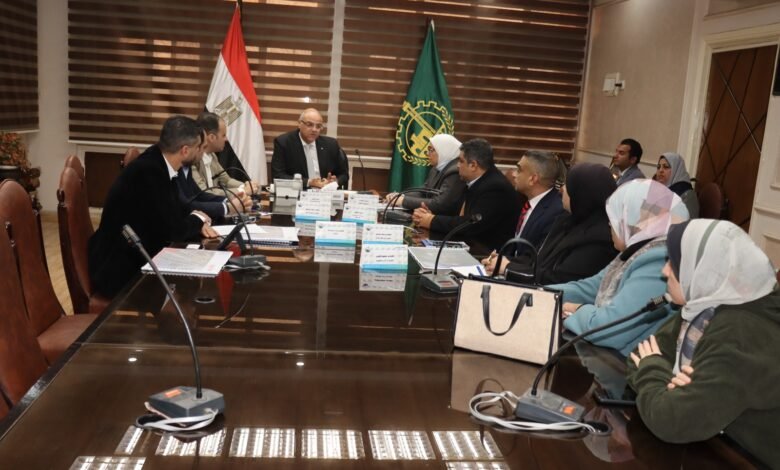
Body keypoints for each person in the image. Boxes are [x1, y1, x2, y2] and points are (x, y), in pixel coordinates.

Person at [627, 219, 779, 468]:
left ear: (706, 271)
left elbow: (672, 421)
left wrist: (654, 370)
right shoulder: (706, 305)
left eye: (674, 263)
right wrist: (669, 382)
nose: (665, 271)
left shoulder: (740, 334)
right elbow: (638, 355)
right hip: (712, 448)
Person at [548, 179, 689, 356]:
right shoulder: (638, 250)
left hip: (629, 366)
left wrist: (577, 310)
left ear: (635, 220)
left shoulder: (659, 260)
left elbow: (609, 330)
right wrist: (539, 294)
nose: (609, 224)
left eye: (615, 216)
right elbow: (591, 287)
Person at [88, 116, 218, 297]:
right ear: (185, 150)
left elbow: (174, 208)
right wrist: (198, 219)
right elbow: (173, 231)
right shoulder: (149, 172)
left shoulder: (158, 160)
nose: (201, 153)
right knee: (194, 291)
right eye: (199, 148)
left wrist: (195, 217)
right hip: (121, 272)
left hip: (138, 256)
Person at [484, 162, 617, 285]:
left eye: (567, 185)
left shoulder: (600, 239)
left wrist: (508, 268)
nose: (561, 190)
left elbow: (560, 279)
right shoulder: (567, 219)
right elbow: (536, 257)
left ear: (581, 193)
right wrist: (502, 261)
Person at [412, 138, 521, 253]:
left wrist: (431, 220)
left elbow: (471, 224)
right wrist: (430, 216)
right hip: (471, 243)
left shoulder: (495, 187)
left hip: (487, 253)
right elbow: (458, 215)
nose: (457, 165)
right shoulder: (478, 180)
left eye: (461, 161)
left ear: (473, 165)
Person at [176, 130, 252, 221]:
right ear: (185, 150)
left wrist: (228, 200)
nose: (203, 153)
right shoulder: (177, 169)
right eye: (202, 148)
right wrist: (227, 207)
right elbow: (186, 205)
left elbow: (199, 194)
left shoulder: (186, 166)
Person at [385, 133, 465, 214]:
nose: (427, 153)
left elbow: (440, 204)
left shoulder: (455, 171)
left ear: (444, 151)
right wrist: (399, 196)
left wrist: (403, 201)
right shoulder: (436, 168)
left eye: (431, 150)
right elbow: (423, 192)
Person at [271, 108, 349, 189]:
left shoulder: (331, 144)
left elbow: (344, 174)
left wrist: (334, 181)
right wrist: (309, 182)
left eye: (318, 126)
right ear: (299, 124)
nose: (314, 130)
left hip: (325, 192)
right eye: (309, 124)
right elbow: (278, 175)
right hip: (299, 192)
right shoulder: (284, 143)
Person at [509, 150, 565, 257]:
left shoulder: (556, 213)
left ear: (533, 179)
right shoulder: (528, 202)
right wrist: (499, 259)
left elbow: (537, 258)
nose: (513, 174)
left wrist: (507, 264)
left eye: (519, 170)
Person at [193, 111, 259, 196]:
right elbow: (205, 193)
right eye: (223, 135)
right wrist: (242, 190)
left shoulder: (212, 155)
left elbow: (227, 180)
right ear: (212, 137)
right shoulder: (193, 160)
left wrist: (246, 186)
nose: (226, 139)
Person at [654, 152, 699, 218]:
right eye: (658, 167)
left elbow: (684, 222)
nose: (660, 170)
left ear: (677, 170)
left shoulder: (687, 195)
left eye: (666, 167)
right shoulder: (658, 189)